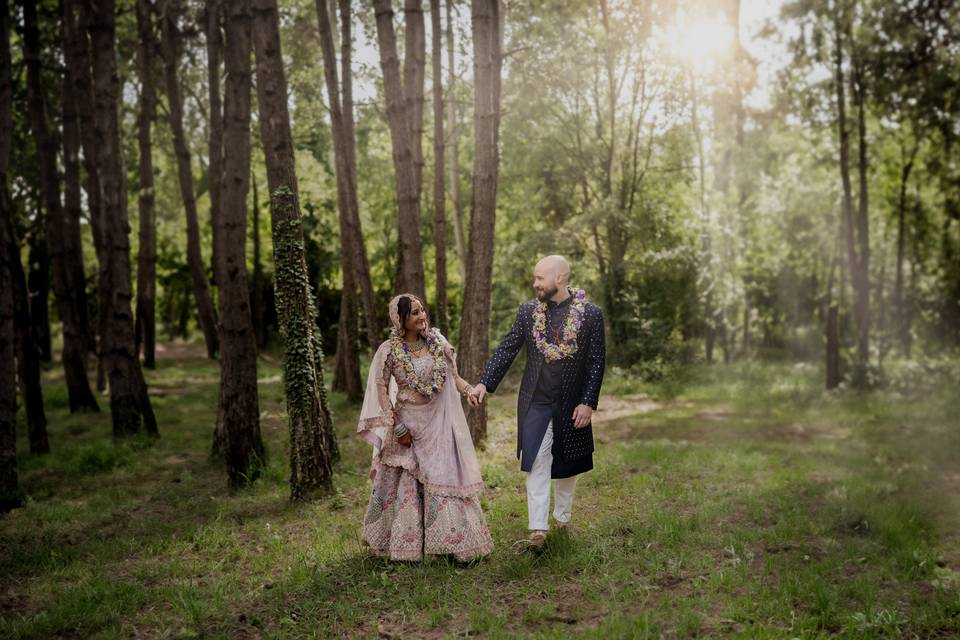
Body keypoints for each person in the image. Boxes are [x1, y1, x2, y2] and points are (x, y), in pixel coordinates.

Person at [468, 255, 605, 551]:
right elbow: (508, 347)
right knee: (537, 462)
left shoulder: (591, 315)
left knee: (568, 464)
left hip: (572, 401)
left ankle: (563, 519)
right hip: (535, 401)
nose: (535, 284)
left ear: (560, 278)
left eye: (539, 278)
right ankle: (538, 531)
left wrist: (588, 402)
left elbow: (596, 362)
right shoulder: (528, 312)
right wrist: (484, 382)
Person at [357, 293, 493, 562]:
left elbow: (452, 377)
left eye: (422, 311)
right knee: (408, 478)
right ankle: (408, 547)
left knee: (444, 475)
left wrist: (468, 391)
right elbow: (381, 389)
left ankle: (455, 544)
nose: (422, 316)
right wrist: (396, 428)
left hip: (438, 424)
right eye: (415, 313)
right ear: (401, 319)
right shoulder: (389, 350)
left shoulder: (436, 342)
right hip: (408, 426)